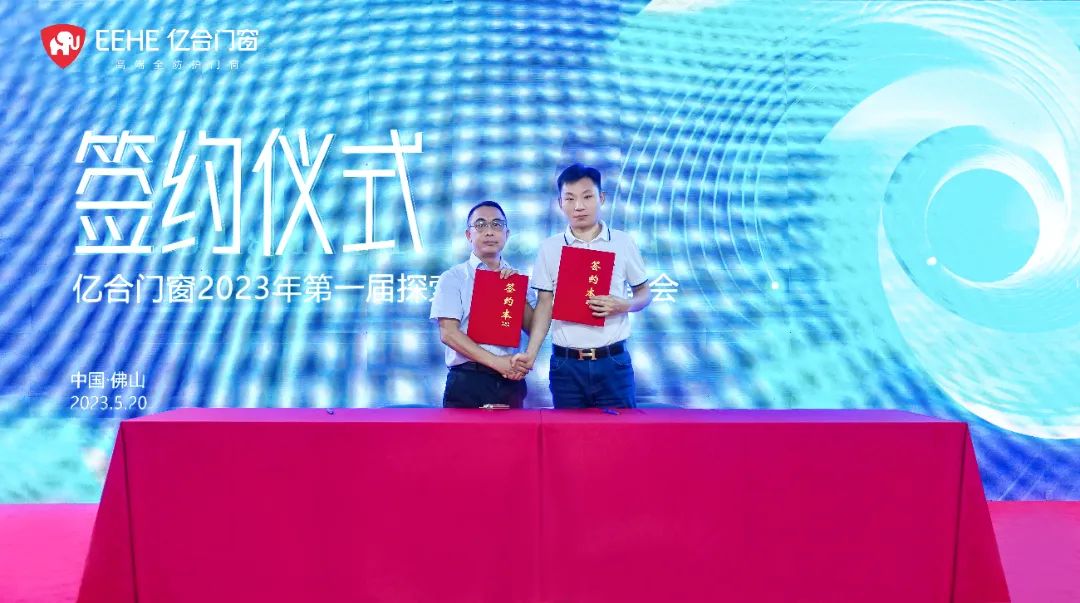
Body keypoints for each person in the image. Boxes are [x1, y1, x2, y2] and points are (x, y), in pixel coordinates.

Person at [513, 164, 651, 408]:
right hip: (566, 365)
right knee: (568, 432)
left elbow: (644, 293)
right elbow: (544, 305)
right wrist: (531, 353)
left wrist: (624, 305)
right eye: (570, 198)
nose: (579, 206)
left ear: (601, 198)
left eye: (587, 197)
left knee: (620, 431)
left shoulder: (622, 242)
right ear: (560, 203)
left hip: (613, 362)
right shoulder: (550, 248)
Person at [430, 201, 535, 408]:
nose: (489, 232)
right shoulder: (453, 277)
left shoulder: (519, 280)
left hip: (509, 381)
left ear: (507, 233)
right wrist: (497, 363)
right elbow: (448, 333)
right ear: (468, 235)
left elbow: (534, 328)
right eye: (480, 225)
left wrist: (516, 291)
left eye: (497, 224)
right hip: (467, 380)